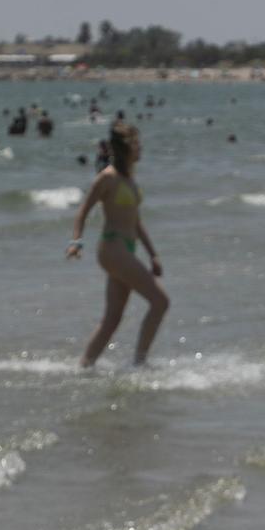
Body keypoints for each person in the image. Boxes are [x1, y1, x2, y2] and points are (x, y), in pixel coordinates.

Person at [66, 122, 169, 369]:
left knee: (112, 319)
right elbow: (83, 211)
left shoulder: (130, 179)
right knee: (160, 301)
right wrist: (76, 241)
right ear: (125, 148)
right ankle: (140, 363)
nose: (140, 148)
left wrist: (153, 254)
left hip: (127, 248)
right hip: (112, 248)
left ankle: (84, 366)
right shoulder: (107, 178)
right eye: (136, 144)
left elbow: (136, 221)